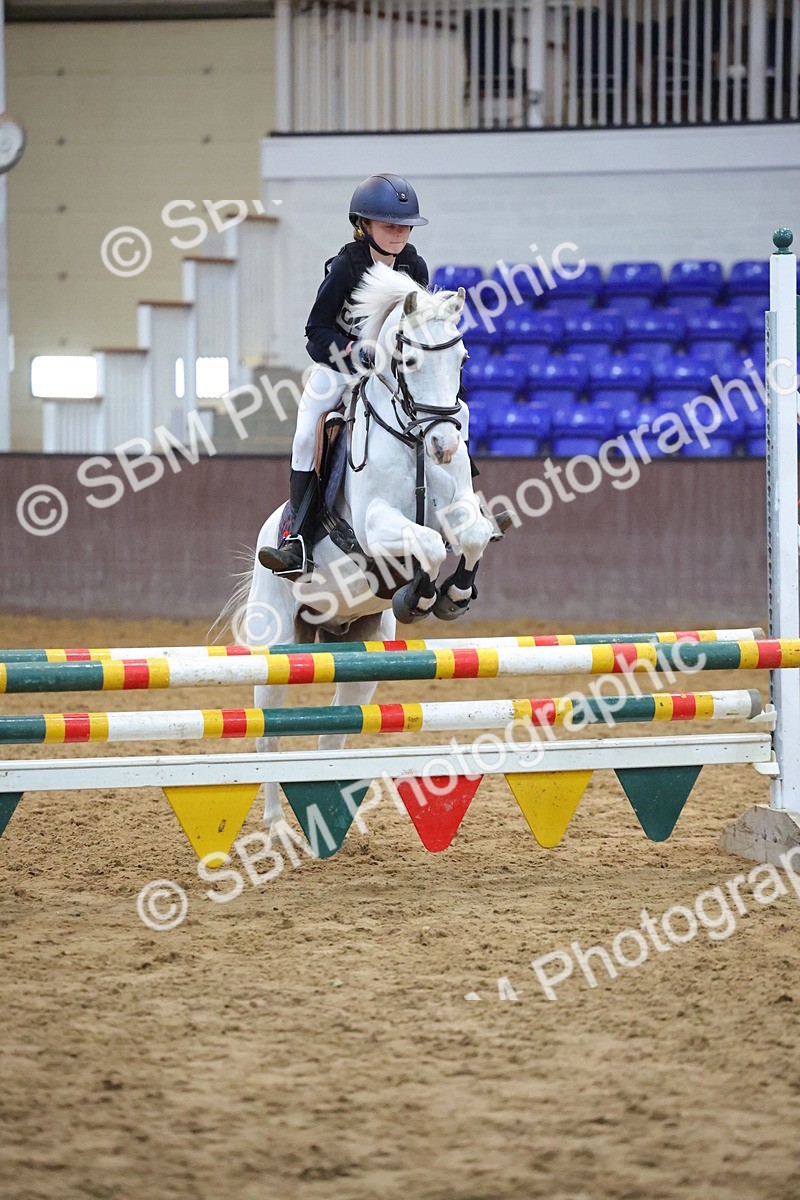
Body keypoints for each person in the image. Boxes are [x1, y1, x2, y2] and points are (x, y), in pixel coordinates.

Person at [257, 173, 430, 576]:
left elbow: (418, 328)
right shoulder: (347, 267)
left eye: (404, 226)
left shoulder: (413, 266)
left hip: (389, 373)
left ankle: (457, 508)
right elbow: (314, 332)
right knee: (304, 437)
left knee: (438, 416)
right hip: (339, 369)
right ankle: (296, 540)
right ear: (363, 225)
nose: (398, 234)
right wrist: (351, 352)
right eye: (389, 226)